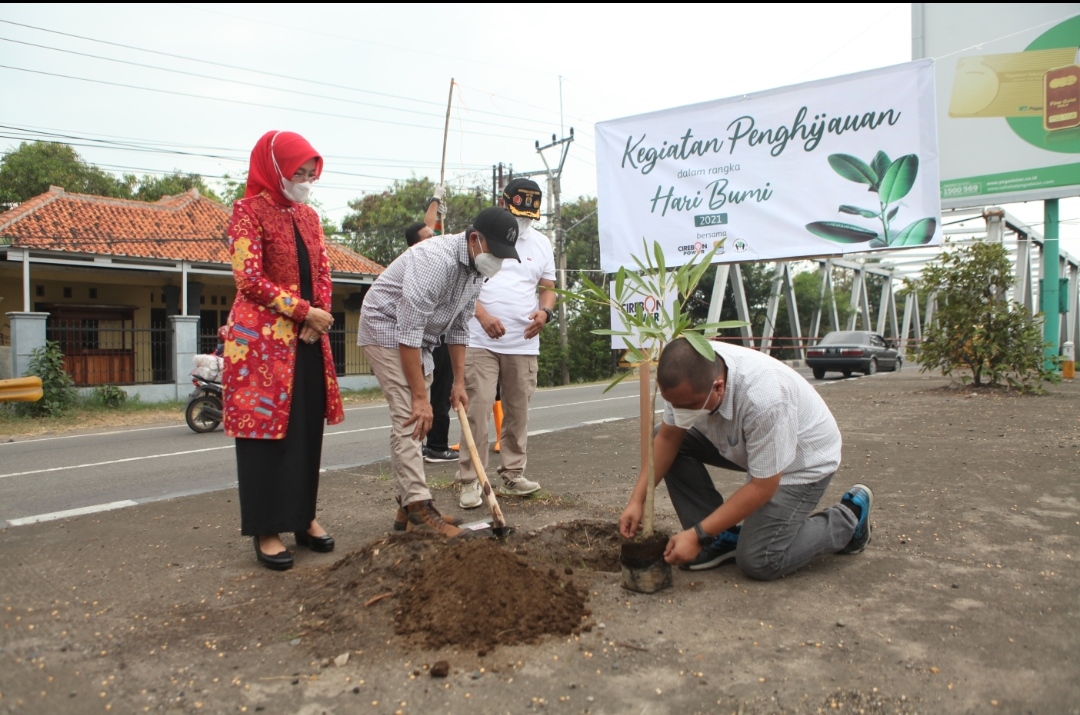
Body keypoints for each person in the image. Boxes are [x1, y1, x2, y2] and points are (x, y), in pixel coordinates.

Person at [618, 337, 874, 578]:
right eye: (675, 405)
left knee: (760, 560)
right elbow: (668, 439)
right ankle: (719, 538)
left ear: (718, 387)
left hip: (802, 460)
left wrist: (696, 535)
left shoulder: (764, 399)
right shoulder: (689, 371)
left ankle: (849, 517)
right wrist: (636, 500)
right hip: (748, 445)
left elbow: (762, 487)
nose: (680, 412)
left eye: (689, 406)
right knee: (661, 432)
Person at [223, 130, 345, 571]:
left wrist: (321, 316)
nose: (307, 179)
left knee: (306, 429)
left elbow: (324, 271)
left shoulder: (309, 217)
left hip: (308, 339)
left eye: (312, 173)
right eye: (300, 171)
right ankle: (267, 528)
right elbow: (248, 279)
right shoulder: (247, 212)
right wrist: (302, 311)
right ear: (274, 168)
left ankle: (303, 517)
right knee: (264, 436)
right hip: (261, 345)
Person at [359, 206, 520, 538]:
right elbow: (407, 331)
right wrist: (421, 398)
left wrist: (459, 382)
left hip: (423, 340)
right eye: (497, 252)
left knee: (419, 419)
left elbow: (460, 328)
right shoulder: (436, 261)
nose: (499, 262)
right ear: (475, 239)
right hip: (387, 329)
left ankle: (407, 508)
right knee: (411, 414)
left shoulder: (476, 270)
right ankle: (419, 508)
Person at [457, 178, 556, 508]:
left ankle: (513, 474)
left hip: (523, 342)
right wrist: (482, 316)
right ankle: (471, 480)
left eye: (529, 216)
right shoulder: (482, 235)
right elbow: (461, 285)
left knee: (518, 410)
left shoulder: (542, 244)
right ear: (502, 202)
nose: (523, 221)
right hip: (478, 337)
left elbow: (548, 288)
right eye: (518, 213)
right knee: (478, 406)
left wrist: (545, 313)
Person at [402, 185, 459, 465]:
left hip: (440, 334)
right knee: (435, 391)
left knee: (442, 389)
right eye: (428, 237)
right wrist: (435, 200)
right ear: (415, 244)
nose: (434, 238)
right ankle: (435, 446)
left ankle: (430, 444)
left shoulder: (435, 257)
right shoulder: (421, 263)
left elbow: (429, 226)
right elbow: (426, 226)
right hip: (428, 337)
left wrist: (436, 200)